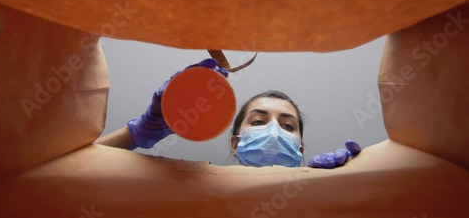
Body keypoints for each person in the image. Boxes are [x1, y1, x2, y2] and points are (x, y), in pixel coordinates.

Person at [95, 59, 361, 168]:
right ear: (235, 144)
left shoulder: (321, 198)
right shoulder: (193, 188)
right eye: (258, 121)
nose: (273, 131)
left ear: (301, 150)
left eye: (288, 126)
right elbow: (60, 176)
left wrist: (354, 181)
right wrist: (137, 134)